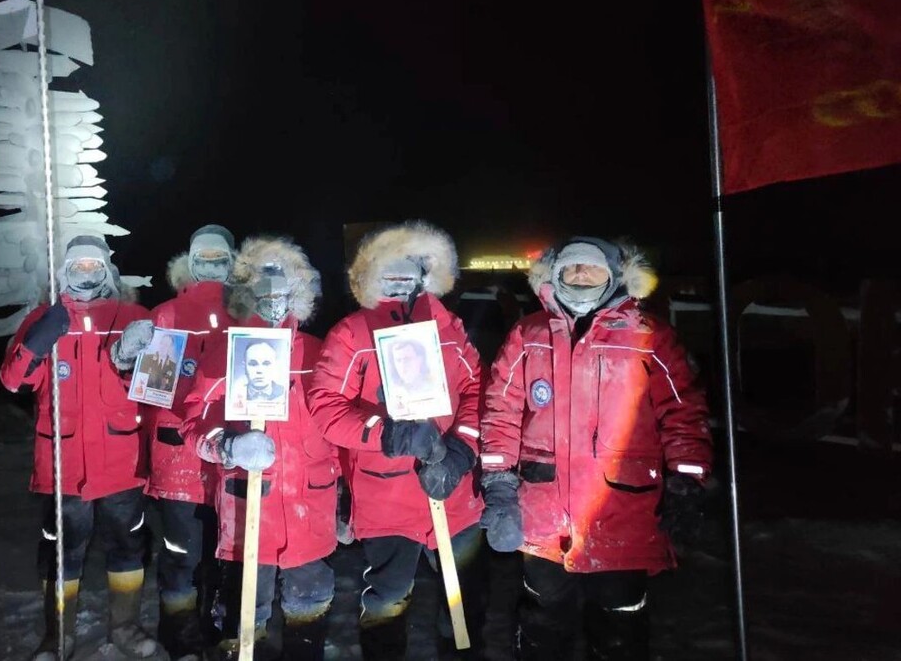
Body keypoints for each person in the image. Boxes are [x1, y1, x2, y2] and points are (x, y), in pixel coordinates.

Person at [479, 236, 713, 660]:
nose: (580, 274)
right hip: (545, 516)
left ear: (614, 276)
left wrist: (688, 480)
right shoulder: (528, 334)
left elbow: (683, 412)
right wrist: (496, 480)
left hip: (623, 512)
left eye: (592, 267)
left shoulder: (650, 335)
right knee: (542, 625)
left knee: (620, 629)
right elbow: (500, 410)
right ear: (554, 275)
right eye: (571, 267)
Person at [307, 221, 489, 659]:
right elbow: (325, 406)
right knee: (387, 597)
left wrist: (462, 453)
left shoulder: (448, 327)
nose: (399, 277)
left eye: (409, 267)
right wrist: (386, 435)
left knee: (463, 598)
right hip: (386, 495)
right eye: (388, 268)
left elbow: (476, 390)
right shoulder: (351, 333)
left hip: (453, 490)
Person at [0, 232, 161, 661]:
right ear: (64, 272)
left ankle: (125, 626)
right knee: (60, 551)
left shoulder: (134, 315)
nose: (86, 274)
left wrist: (131, 361)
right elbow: (14, 380)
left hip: (122, 462)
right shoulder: (44, 318)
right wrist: (38, 340)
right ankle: (59, 636)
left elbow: (159, 389)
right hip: (63, 464)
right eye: (77, 267)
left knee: (128, 546)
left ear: (108, 270)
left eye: (94, 266)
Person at [180, 236, 338, 661]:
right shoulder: (226, 352)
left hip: (310, 509)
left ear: (299, 292)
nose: (272, 298)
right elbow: (193, 422)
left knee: (310, 605)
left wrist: (347, 504)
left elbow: (337, 429)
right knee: (244, 614)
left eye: (282, 288)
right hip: (250, 511)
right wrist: (227, 445)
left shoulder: (317, 352)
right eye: (261, 288)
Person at [139, 224, 239, 660]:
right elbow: (152, 392)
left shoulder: (247, 315)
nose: (213, 266)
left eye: (221, 258)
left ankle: (215, 628)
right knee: (181, 553)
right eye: (205, 258)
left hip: (232, 457)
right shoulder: (166, 315)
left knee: (224, 552)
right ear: (191, 263)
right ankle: (178, 635)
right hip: (179, 458)